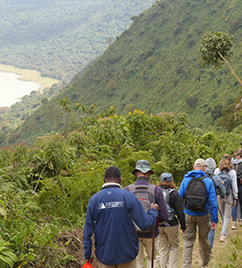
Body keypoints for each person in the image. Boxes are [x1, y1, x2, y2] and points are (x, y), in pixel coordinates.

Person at [83, 166, 159, 268]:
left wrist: (88, 253)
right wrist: (153, 210)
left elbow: (87, 232)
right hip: (126, 253)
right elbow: (145, 224)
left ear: (104, 179)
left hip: (105, 254)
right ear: (120, 179)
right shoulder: (128, 197)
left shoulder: (94, 200)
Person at [124, 160, 168, 268]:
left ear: (136, 173)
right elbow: (164, 216)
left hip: (133, 233)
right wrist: (154, 220)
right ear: (148, 174)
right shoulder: (156, 190)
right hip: (151, 232)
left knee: (137, 261)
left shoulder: (127, 190)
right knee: (152, 259)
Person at [178, 158, 218, 268]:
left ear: (194, 167)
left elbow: (179, 198)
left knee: (187, 242)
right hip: (203, 215)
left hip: (188, 215)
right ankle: (205, 263)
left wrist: (180, 214)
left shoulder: (186, 179)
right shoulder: (208, 181)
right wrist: (215, 219)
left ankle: (186, 266)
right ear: (204, 168)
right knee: (203, 239)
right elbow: (213, 202)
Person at [157, 172, 186, 268]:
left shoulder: (156, 192)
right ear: (171, 181)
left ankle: (163, 266)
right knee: (174, 246)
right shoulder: (174, 193)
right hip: (172, 224)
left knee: (162, 248)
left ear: (161, 181)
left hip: (159, 224)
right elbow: (180, 212)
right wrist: (183, 227)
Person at [214, 154, 238, 242]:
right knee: (227, 216)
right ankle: (223, 234)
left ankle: (225, 231)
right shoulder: (232, 172)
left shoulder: (217, 171)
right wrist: (236, 197)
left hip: (219, 196)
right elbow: (234, 186)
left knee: (223, 215)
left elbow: (214, 183)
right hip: (229, 196)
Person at [205, 158, 226, 251]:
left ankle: (202, 249)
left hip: (198, 206)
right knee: (211, 227)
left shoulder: (198, 177)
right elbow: (223, 194)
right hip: (211, 205)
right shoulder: (216, 178)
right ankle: (209, 249)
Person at [231, 148, 242, 229]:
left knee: (235, 203)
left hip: (233, 185)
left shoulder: (231, 162)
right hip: (241, 184)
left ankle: (234, 222)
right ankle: (241, 219)